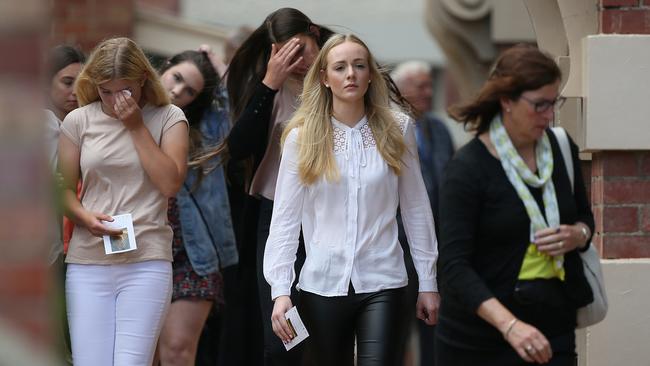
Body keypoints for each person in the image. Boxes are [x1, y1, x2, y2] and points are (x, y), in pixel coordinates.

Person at [264, 34, 440, 366]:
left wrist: (428, 281)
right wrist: (280, 290)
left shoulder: (398, 128)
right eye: (340, 67)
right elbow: (284, 220)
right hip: (321, 283)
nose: (351, 75)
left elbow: (417, 207)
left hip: (384, 279)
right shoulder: (301, 137)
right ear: (324, 77)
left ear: (370, 74)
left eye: (359, 66)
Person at [436, 44, 595, 365]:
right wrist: (510, 326)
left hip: (553, 325)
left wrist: (577, 235)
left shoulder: (561, 148)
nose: (550, 115)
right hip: (480, 339)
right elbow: (454, 267)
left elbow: (584, 218)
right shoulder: (468, 168)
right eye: (539, 105)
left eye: (554, 103)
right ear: (507, 100)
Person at [200, 8, 335, 365]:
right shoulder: (266, 85)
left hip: (333, 212)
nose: (300, 61)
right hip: (276, 214)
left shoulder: (339, 77)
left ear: (315, 33)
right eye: (287, 53)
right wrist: (270, 82)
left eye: (303, 49)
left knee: (327, 328)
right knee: (282, 332)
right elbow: (238, 148)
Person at [58, 37, 188, 366]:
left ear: (143, 79)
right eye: (106, 91)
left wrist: (135, 127)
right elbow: (62, 189)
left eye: (125, 90)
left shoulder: (169, 117)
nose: (116, 100)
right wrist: (84, 217)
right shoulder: (78, 121)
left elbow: (170, 184)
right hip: (88, 260)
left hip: (146, 259)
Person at [155, 50, 238, 366]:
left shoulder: (202, 130)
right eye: (177, 78)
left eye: (190, 90)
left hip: (193, 253)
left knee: (177, 350)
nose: (178, 91)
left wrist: (220, 68)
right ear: (166, 67)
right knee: (142, 352)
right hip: (141, 245)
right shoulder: (130, 114)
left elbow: (232, 114)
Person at [391, 60, 454, 366]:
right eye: (421, 86)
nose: (429, 93)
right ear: (400, 91)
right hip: (397, 251)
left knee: (434, 333)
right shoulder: (387, 129)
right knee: (394, 336)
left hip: (435, 251)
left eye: (431, 85)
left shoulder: (439, 130)